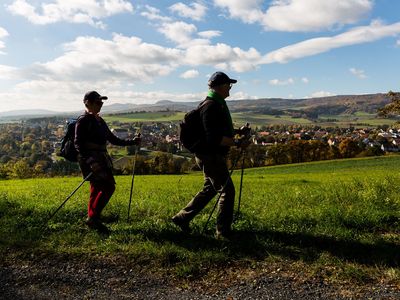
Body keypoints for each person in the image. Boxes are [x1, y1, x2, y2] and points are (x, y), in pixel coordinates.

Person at [172, 71, 250, 239]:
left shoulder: (214, 103)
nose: (230, 88)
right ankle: (223, 233)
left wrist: (237, 131)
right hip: (210, 155)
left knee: (209, 190)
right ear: (221, 86)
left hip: (208, 155)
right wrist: (237, 143)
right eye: (228, 85)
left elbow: (216, 129)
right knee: (227, 190)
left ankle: (181, 218)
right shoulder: (212, 106)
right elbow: (214, 137)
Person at [75, 91, 141, 232]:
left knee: (96, 188)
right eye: (98, 102)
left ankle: (92, 217)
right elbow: (78, 144)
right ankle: (93, 218)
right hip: (91, 159)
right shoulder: (83, 120)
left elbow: (112, 139)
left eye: (102, 102)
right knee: (109, 186)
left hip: (101, 157)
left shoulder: (99, 120)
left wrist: (132, 142)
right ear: (88, 103)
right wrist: (91, 161)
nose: (101, 105)